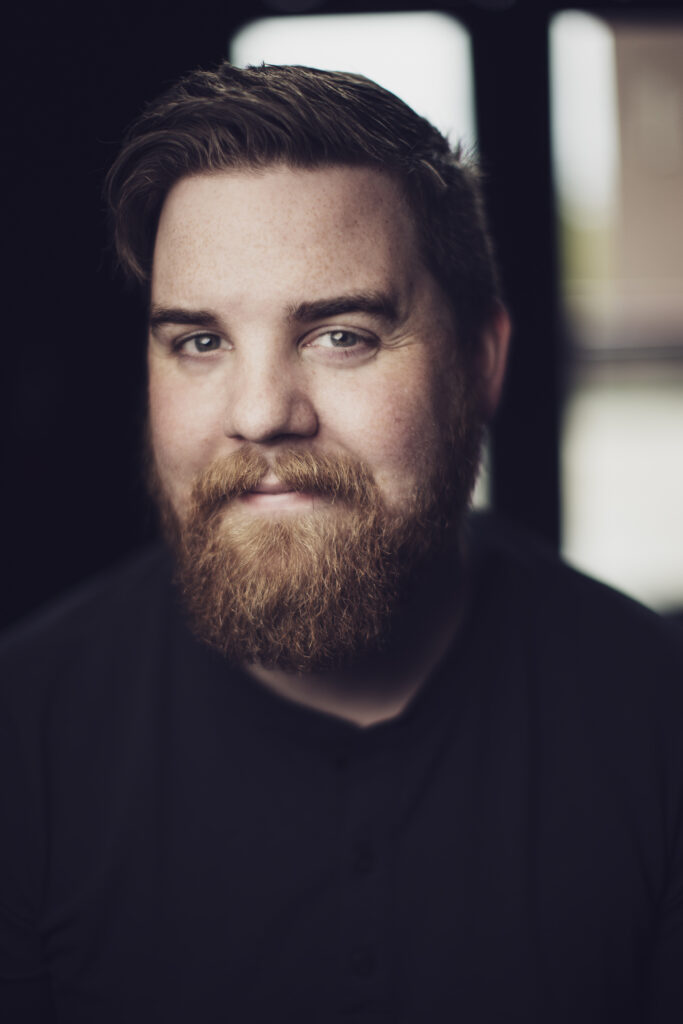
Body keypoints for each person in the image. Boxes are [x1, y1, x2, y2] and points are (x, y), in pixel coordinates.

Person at [1, 62, 681, 1024]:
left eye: (341, 335)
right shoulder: (22, 743)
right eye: (199, 342)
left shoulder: (656, 715)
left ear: (480, 363)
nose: (261, 415)